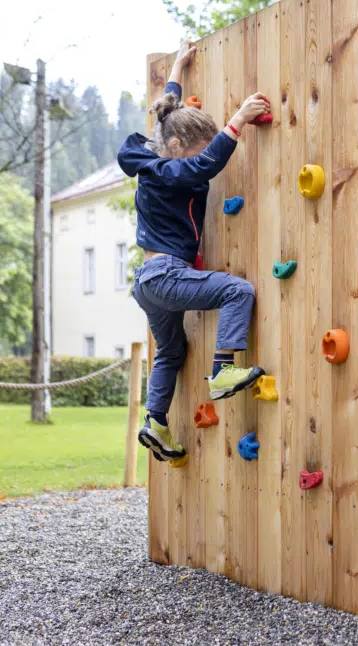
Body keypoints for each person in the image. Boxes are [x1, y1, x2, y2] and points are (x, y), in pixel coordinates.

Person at [117, 41, 270, 462]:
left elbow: (164, 120)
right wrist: (238, 120)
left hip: (147, 282)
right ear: (179, 147)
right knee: (238, 291)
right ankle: (222, 371)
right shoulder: (168, 170)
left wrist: (178, 70)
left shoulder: (156, 156)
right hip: (165, 275)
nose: (201, 159)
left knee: (171, 351)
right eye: (196, 149)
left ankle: (157, 422)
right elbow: (201, 166)